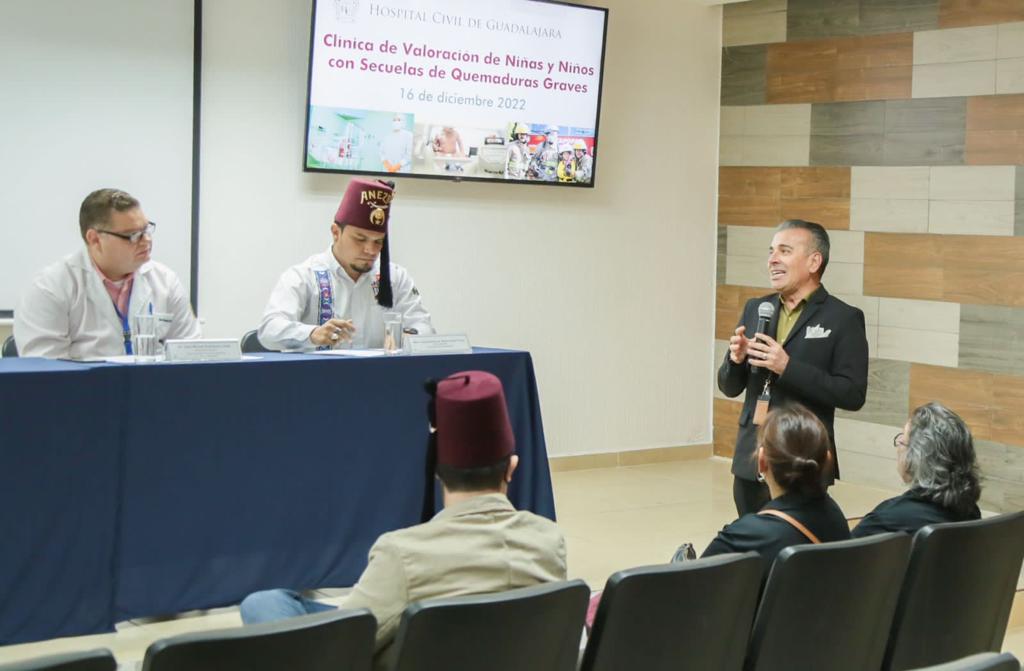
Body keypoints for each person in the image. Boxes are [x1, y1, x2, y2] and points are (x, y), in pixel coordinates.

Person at [239, 370, 567, 670]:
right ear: (511, 467)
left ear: (436, 472)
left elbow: (339, 651)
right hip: (490, 648)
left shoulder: (402, 554)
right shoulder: (549, 541)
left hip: (419, 646)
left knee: (265, 605)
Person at [718, 219, 868, 516]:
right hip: (751, 457)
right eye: (771, 251)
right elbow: (729, 387)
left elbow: (852, 393)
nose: (772, 260)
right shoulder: (757, 308)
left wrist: (787, 367)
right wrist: (735, 361)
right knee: (752, 537)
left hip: (804, 462)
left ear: (814, 261)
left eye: (784, 251)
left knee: (795, 539)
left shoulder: (843, 318)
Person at [14, 188, 200, 359]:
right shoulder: (50, 288)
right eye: (132, 235)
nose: (146, 241)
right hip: (85, 386)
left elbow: (193, 355)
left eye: (146, 229)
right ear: (95, 239)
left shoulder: (165, 281)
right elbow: (45, 372)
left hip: (153, 384)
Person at [257, 178, 432, 351]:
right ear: (335, 232)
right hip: (319, 369)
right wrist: (312, 334)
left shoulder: (396, 278)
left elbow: (423, 325)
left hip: (379, 369)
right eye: (360, 239)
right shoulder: (304, 276)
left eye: (378, 242)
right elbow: (269, 330)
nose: (370, 250)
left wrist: (408, 336)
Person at [701, 404, 851, 576]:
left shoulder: (744, 536)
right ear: (828, 459)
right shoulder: (836, 518)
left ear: (762, 461)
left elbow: (689, 585)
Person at [852, 402, 981, 538]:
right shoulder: (972, 513)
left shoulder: (887, 520)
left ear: (918, 457)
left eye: (902, 441)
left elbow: (844, 550)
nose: (898, 448)